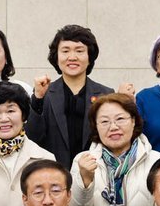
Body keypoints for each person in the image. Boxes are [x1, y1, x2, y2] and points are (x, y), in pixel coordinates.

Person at [68, 93, 160, 206]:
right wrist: (85, 180)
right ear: (96, 126)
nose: (113, 127)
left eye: (120, 119)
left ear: (133, 121)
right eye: (104, 121)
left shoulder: (156, 161)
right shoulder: (82, 160)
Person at [26, 24, 112, 166]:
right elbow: (31, 139)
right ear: (56, 57)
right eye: (65, 51)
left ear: (89, 57)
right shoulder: (44, 94)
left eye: (79, 51)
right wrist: (37, 99)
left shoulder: (106, 94)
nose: (72, 57)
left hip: (94, 174)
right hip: (53, 173)